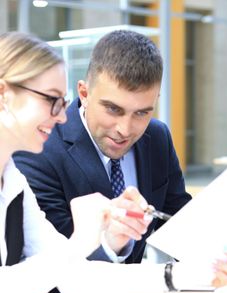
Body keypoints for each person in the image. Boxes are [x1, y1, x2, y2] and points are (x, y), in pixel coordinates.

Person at [0, 32, 227, 293]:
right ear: (3, 95)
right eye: (52, 100)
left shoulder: (13, 179)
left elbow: (74, 276)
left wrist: (184, 274)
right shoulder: (34, 159)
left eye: (62, 102)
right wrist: (80, 243)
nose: (62, 116)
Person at [14, 29, 191, 264]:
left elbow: (179, 219)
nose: (125, 129)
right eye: (113, 109)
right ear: (84, 93)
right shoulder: (40, 150)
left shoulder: (156, 137)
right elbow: (53, 261)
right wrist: (111, 238)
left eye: (141, 112)